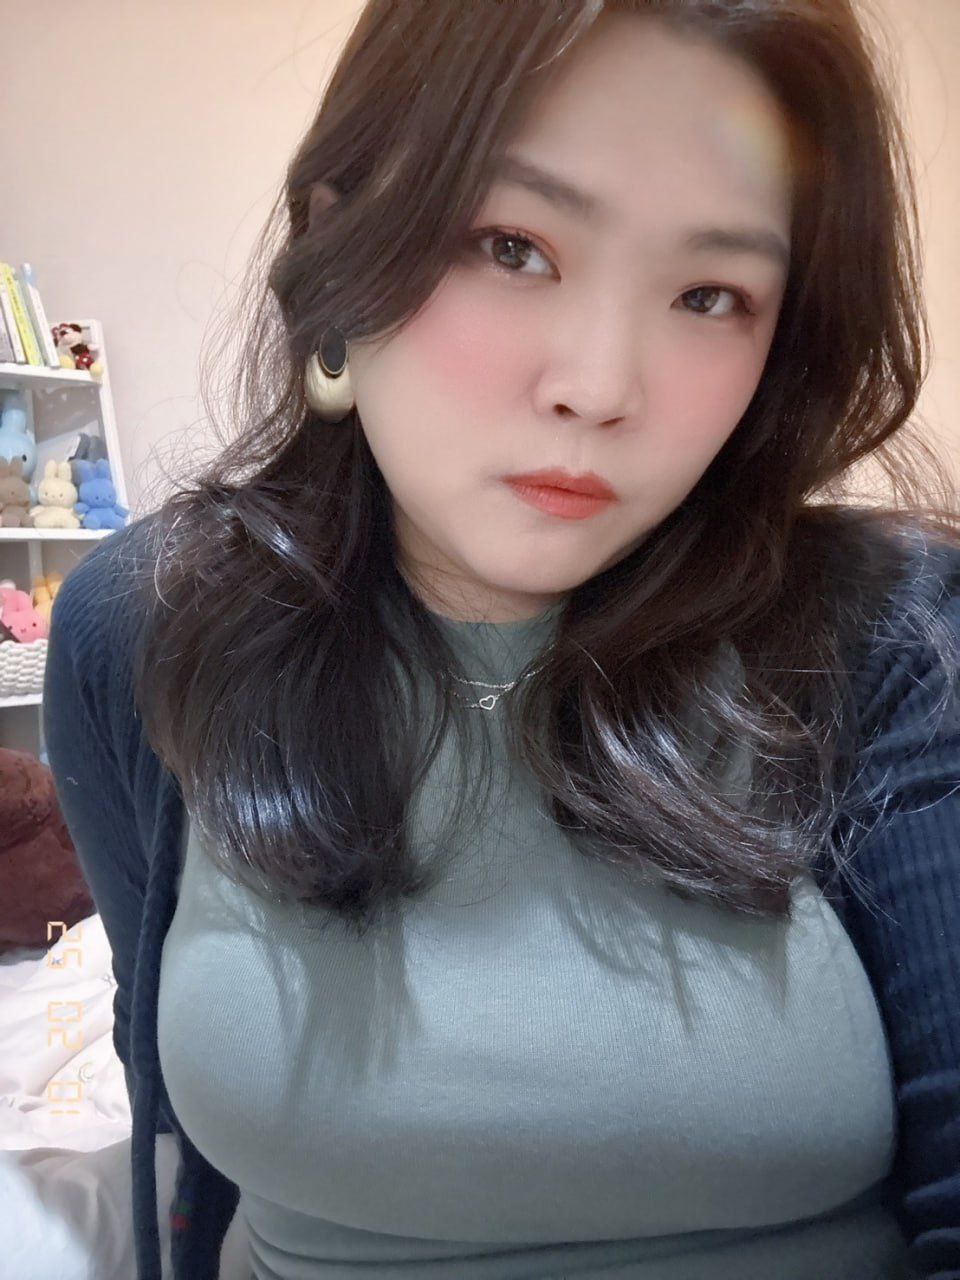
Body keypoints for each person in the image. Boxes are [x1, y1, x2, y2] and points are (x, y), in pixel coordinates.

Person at [43, 1, 960, 1278]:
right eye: (512, 247)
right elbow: (174, 1121)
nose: (599, 385)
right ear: (338, 249)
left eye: (711, 294)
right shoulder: (147, 623)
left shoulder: (895, 635)